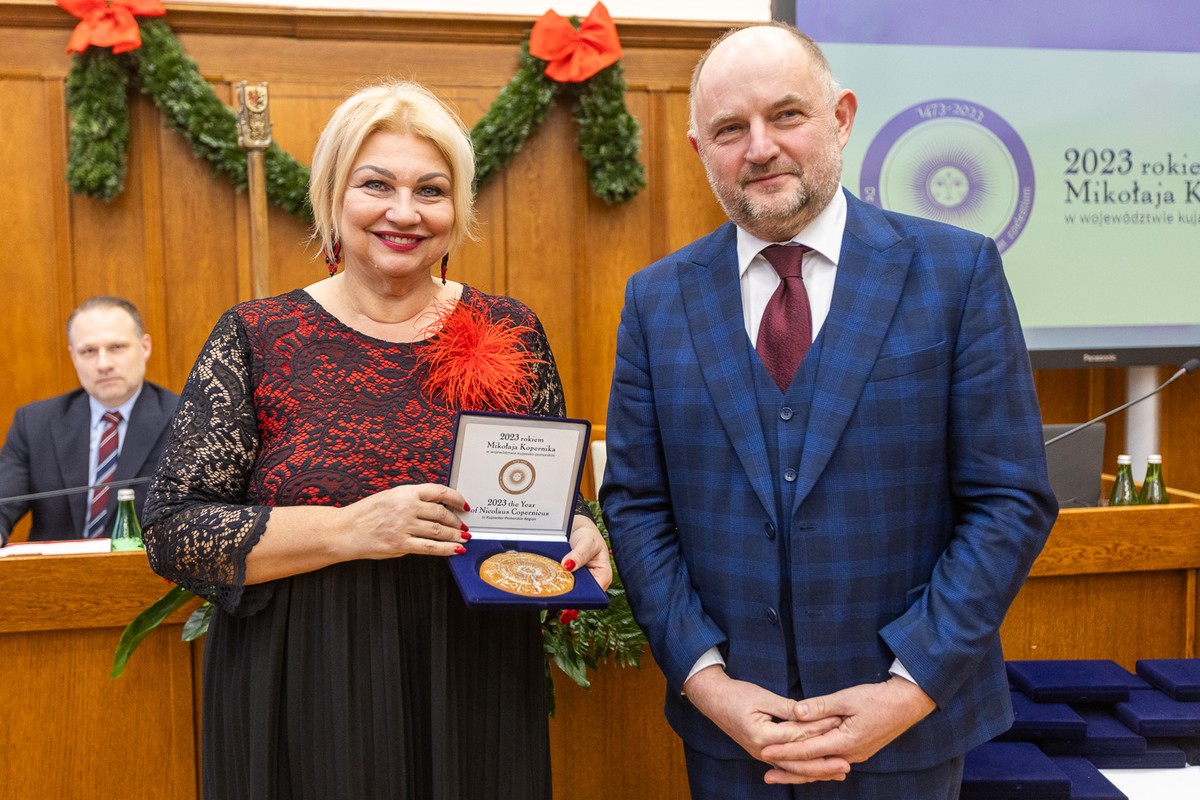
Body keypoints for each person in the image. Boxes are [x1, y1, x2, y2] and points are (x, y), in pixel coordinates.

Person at [600, 23, 1058, 799]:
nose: (760, 147)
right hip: (732, 740)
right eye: (730, 129)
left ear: (841, 118)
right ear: (700, 149)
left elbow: (1009, 500)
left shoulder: (957, 273)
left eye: (787, 115)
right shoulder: (655, 301)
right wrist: (709, 683)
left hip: (908, 735)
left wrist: (906, 689)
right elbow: (638, 507)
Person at [142, 80, 611, 800]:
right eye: (376, 185)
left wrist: (577, 531)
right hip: (305, 689)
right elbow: (174, 531)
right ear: (333, 196)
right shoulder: (257, 336)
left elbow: (546, 496)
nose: (404, 211)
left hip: (474, 685)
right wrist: (349, 531)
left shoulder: (511, 330)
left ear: (457, 210)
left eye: (431, 190)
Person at [0, 296, 178, 545]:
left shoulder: (184, 419)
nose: (103, 364)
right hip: (57, 569)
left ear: (145, 347)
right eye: (89, 351)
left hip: (149, 568)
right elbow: (4, 502)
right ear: (74, 356)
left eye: (117, 347)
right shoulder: (34, 423)